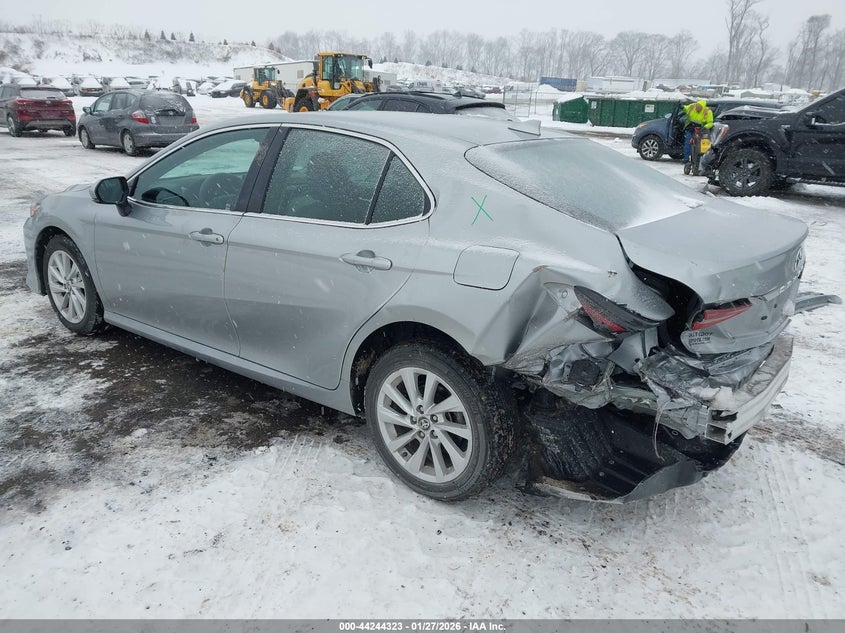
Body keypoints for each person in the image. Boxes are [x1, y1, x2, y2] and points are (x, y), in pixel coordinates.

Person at [681, 99, 714, 164]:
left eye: (699, 107)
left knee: (698, 147)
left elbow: (710, 123)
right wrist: (682, 106)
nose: (697, 108)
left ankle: (697, 160)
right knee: (688, 144)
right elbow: (686, 108)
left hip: (701, 131)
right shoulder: (692, 106)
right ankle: (686, 159)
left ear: (702, 107)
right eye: (697, 106)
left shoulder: (707, 111)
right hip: (691, 128)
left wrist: (704, 128)